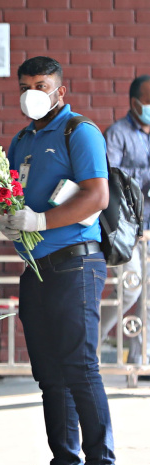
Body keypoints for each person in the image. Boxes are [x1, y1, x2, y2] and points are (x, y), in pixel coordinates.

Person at [0, 56, 116, 465]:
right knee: (50, 375)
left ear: (60, 91)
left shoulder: (78, 131)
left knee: (80, 368)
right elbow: (13, 195)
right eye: (25, 86)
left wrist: (40, 222)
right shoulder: (21, 140)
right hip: (37, 269)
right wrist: (10, 218)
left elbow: (97, 195)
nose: (32, 93)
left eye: (41, 85)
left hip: (76, 264)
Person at [101, 74, 150, 364]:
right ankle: (93, 338)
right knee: (131, 289)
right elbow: (110, 179)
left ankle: (140, 359)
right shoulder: (117, 134)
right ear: (134, 103)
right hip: (127, 228)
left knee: (149, 296)